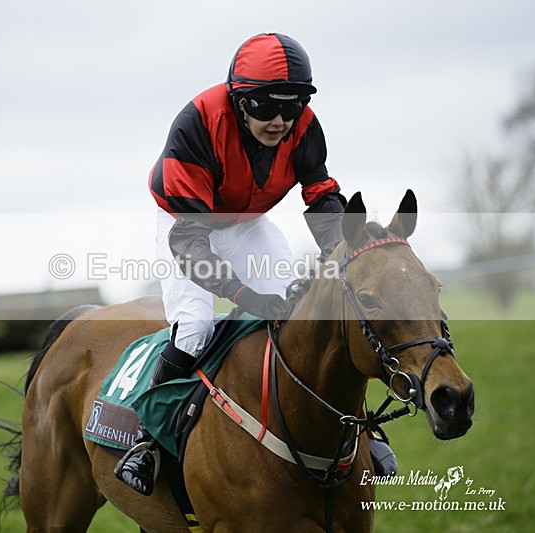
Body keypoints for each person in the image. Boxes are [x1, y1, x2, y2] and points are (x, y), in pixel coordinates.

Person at [115, 33, 349, 495]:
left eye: (292, 106)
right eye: (265, 107)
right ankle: (146, 440)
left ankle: (345, 429)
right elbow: (192, 242)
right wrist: (244, 296)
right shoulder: (197, 125)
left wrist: (346, 253)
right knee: (196, 326)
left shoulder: (303, 126)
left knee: (294, 313)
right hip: (186, 226)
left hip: (245, 222)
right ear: (240, 101)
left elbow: (320, 194)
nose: (280, 120)